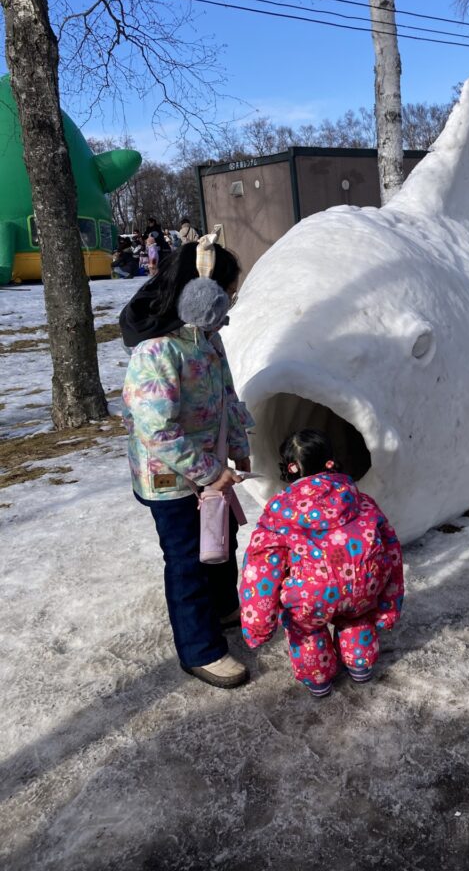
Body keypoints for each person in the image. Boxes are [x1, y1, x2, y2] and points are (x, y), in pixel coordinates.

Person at [121, 240, 254, 689]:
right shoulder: (158, 351)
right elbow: (155, 429)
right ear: (202, 293)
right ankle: (199, 648)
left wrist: (237, 443)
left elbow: (226, 395)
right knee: (187, 560)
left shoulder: (208, 339)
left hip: (209, 469)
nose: (231, 302)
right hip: (170, 479)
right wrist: (208, 472)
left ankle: (223, 609)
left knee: (223, 538)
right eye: (228, 293)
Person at [239, 429, 405, 698]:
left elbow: (261, 567)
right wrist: (388, 605)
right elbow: (391, 550)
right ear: (330, 461)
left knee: (306, 628)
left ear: (290, 468)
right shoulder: (360, 501)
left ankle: (319, 680)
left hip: (312, 596)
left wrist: (258, 624)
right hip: (363, 587)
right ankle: (360, 665)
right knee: (357, 616)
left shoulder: (280, 512)